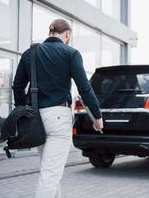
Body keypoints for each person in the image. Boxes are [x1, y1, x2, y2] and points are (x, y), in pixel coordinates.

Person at [12, 19, 103, 198]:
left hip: (35, 118)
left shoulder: (30, 53)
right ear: (67, 34)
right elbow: (84, 87)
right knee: (50, 174)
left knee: (50, 172)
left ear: (50, 32)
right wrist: (97, 116)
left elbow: (17, 86)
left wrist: (22, 110)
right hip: (59, 119)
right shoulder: (71, 53)